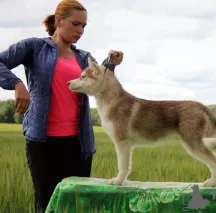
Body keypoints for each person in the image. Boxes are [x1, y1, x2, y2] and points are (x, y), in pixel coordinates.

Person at [0, 0, 124, 212]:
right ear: (58, 21)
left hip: (79, 144)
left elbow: (102, 81)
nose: (80, 31)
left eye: (84, 26)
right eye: (75, 24)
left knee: (78, 206)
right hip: (43, 144)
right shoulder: (34, 47)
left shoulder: (83, 57)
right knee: (47, 205)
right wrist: (17, 84)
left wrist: (111, 63)